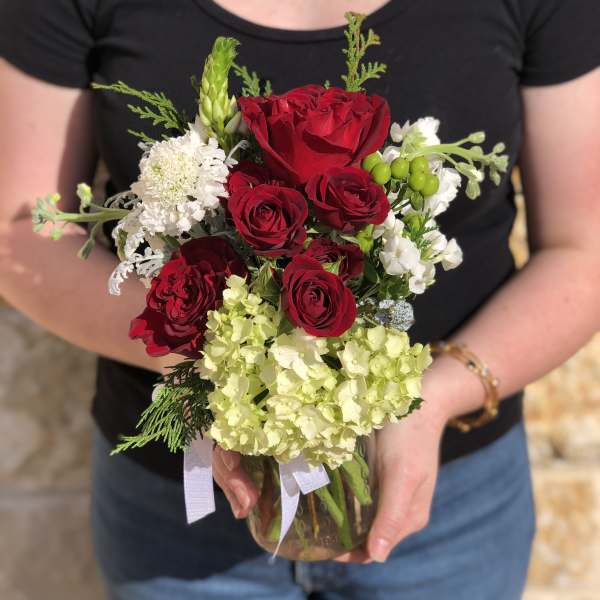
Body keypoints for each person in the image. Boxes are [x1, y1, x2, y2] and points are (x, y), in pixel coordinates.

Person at [0, 0, 599, 598]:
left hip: (449, 506)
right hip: (181, 514)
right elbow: (20, 232)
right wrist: (214, 373)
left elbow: (585, 248)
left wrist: (436, 396)